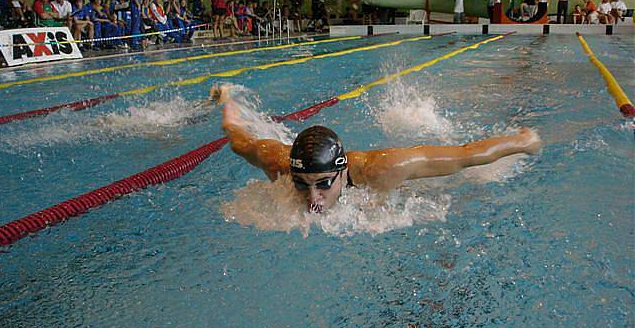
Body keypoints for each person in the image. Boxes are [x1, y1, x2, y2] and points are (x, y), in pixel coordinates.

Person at [210, 84, 542, 214]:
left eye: (324, 183)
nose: (313, 199)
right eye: (302, 185)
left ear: (342, 171)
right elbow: (239, 139)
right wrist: (227, 103)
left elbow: (467, 155)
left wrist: (522, 142)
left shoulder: (383, 168)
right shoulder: (278, 164)